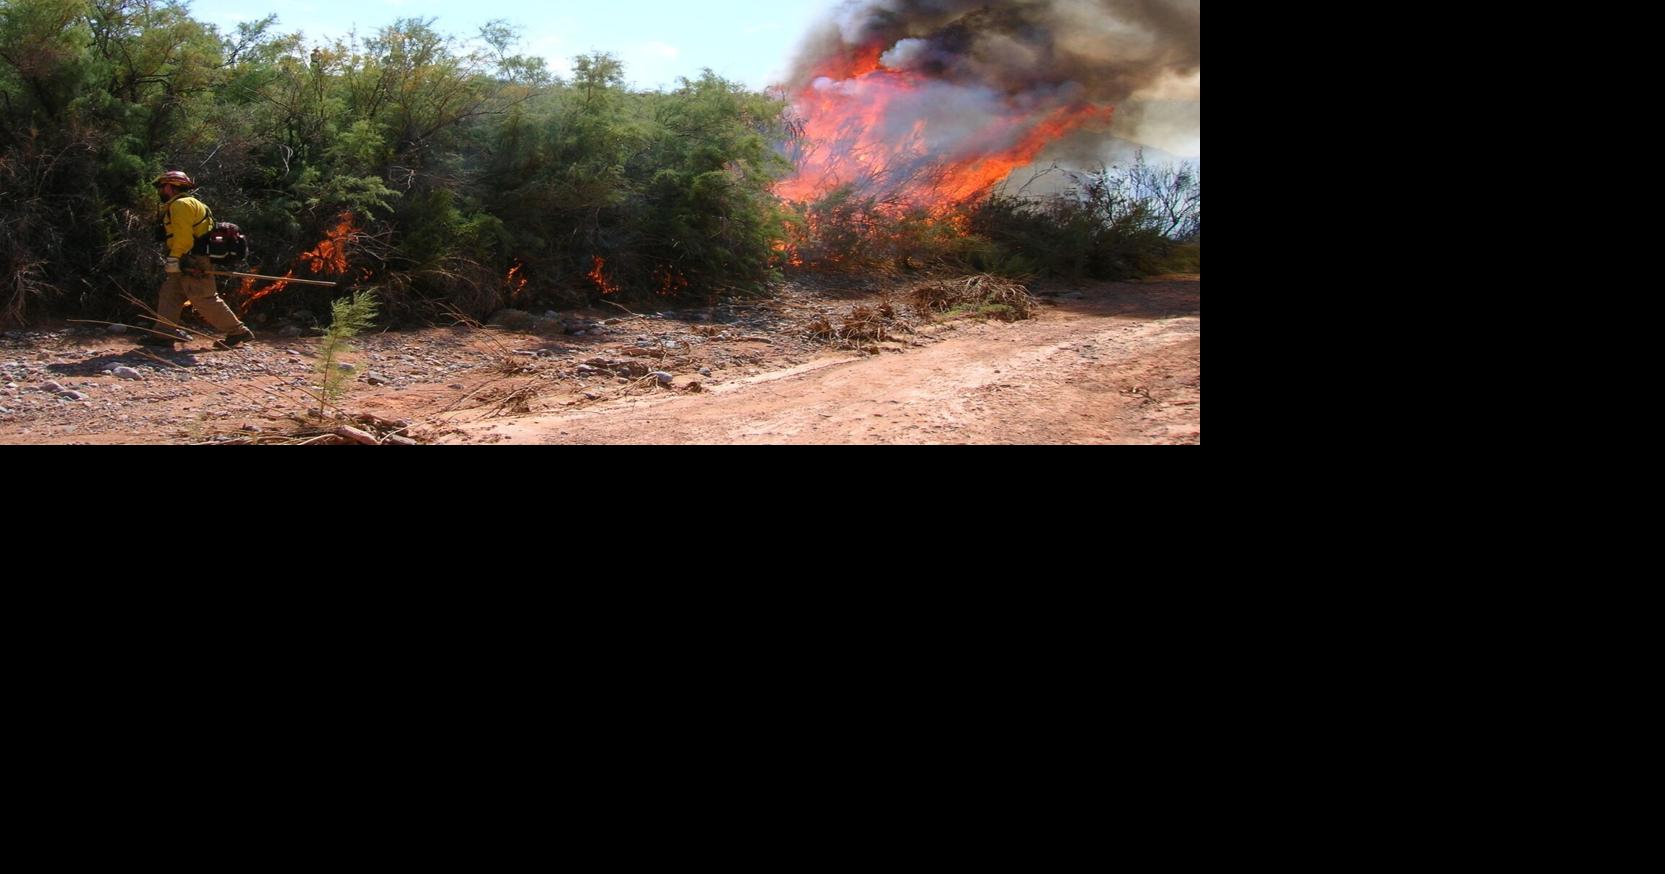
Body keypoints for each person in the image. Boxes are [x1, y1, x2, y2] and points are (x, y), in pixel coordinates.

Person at [139, 171, 255, 349]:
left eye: (161, 187)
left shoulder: (181, 205)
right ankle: (164, 334)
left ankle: (237, 331)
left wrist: (174, 259)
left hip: (191, 259)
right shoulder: (188, 203)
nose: (159, 191)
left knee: (203, 298)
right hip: (188, 256)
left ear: (169, 186)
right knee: (170, 293)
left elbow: (184, 239)